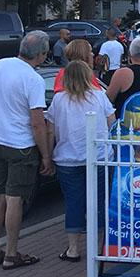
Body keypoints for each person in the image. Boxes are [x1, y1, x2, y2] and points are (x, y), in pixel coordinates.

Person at [0, 30, 53, 270]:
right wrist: (46, 155)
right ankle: (12, 253)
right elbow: (37, 121)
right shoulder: (33, 79)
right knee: (15, 199)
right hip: (20, 145)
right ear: (42, 55)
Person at [44, 60, 116, 261]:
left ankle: (73, 248)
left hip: (68, 159)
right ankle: (101, 247)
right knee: (101, 200)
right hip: (100, 157)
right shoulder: (100, 97)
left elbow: (50, 131)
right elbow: (113, 125)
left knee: (73, 202)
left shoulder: (58, 100)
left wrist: (47, 157)